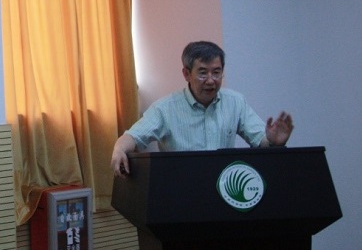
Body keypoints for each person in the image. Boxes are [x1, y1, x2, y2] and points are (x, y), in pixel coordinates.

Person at [111, 41, 294, 177]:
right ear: (186, 74)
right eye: (203, 73)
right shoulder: (165, 108)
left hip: (225, 187)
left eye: (216, 72)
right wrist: (119, 149)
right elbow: (133, 137)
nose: (210, 80)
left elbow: (261, 142)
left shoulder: (235, 102)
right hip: (181, 189)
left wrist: (273, 141)